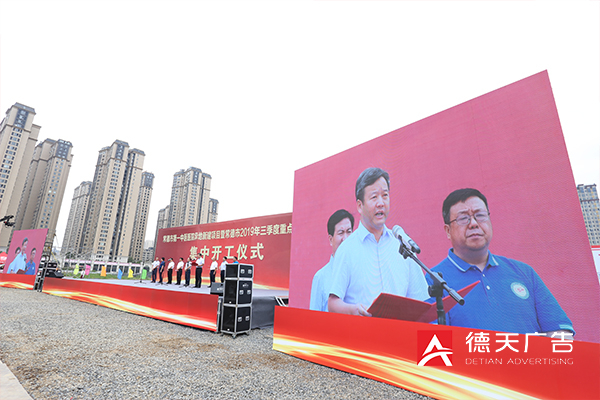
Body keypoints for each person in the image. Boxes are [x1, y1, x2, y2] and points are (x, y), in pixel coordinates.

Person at [428, 188, 574, 336]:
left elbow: (561, 332)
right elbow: (434, 343)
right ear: (448, 231)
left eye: (480, 215)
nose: (473, 224)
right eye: (463, 218)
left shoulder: (524, 273)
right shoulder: (433, 281)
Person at [328, 167, 429, 316]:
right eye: (374, 197)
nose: (381, 203)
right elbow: (332, 303)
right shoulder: (347, 249)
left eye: (385, 195)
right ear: (360, 206)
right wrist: (353, 310)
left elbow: (421, 299)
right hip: (363, 329)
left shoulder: (402, 246)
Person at [310, 209, 354, 312]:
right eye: (341, 233)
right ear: (331, 239)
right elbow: (314, 318)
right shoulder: (320, 277)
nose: (345, 238)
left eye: (349, 232)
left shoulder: (360, 271)